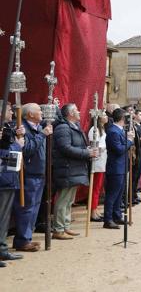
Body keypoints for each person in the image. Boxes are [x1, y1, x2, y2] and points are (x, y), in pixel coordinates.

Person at [52, 103, 98, 239]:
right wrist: (86, 153)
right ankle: (58, 229)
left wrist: (87, 150)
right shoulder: (63, 128)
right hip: (66, 168)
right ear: (70, 113)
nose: (79, 112)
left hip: (74, 168)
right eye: (76, 110)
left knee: (69, 200)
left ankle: (65, 226)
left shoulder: (75, 127)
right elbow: (65, 148)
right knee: (63, 200)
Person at [12, 103, 52, 252]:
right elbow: (27, 150)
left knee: (34, 208)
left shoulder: (38, 127)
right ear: (30, 115)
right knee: (26, 208)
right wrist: (42, 135)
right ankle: (22, 240)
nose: (42, 113)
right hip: (28, 174)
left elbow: (54, 117)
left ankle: (27, 237)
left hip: (39, 173)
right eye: (39, 110)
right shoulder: (22, 128)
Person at [0, 101, 25, 266]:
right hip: (3, 177)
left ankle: (2, 249)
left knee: (4, 218)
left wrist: (16, 136)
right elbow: (4, 152)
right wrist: (17, 144)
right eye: (9, 110)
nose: (12, 112)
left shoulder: (7, 128)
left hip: (8, 177)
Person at [103, 108, 134, 229]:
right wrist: (129, 141)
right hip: (115, 167)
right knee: (112, 194)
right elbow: (119, 149)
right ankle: (108, 219)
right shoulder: (113, 131)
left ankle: (116, 215)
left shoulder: (119, 130)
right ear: (122, 118)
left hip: (121, 166)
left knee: (119, 193)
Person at [88, 112, 108, 222]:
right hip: (97, 161)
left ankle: (95, 209)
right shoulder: (94, 130)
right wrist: (105, 146)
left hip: (102, 160)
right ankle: (92, 211)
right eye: (104, 115)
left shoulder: (102, 129)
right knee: (95, 188)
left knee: (98, 188)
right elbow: (94, 145)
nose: (106, 117)